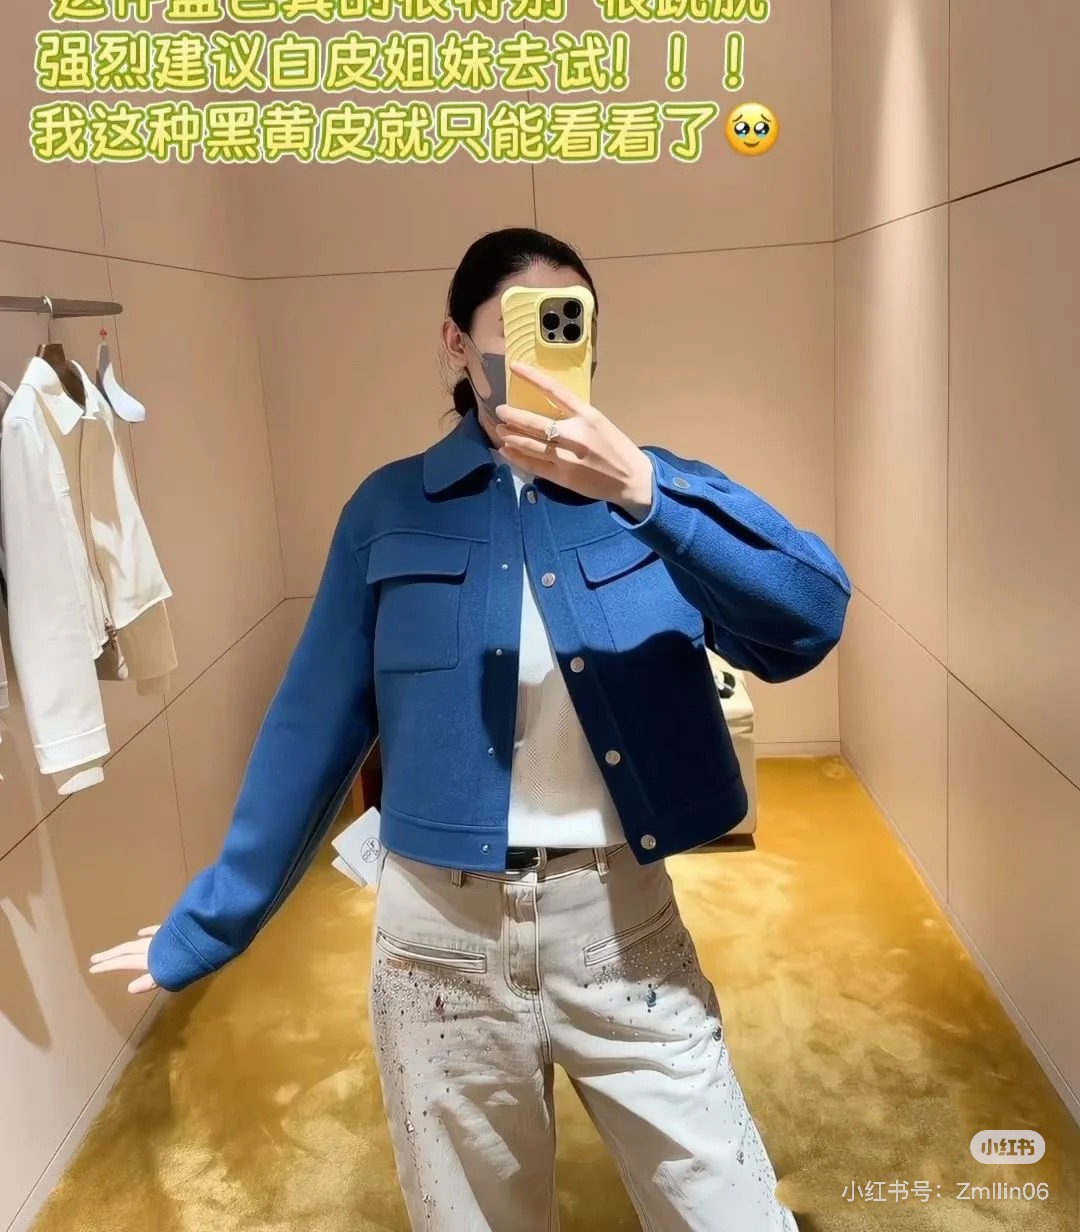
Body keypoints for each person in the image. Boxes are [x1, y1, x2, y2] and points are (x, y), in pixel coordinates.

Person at [92, 228, 850, 1231]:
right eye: (522, 326)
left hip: (623, 930)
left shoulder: (655, 493)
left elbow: (809, 617)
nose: (549, 350)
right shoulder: (387, 510)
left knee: (731, 1211)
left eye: (571, 325)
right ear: (456, 342)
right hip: (436, 950)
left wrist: (644, 491)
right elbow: (312, 728)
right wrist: (212, 919)